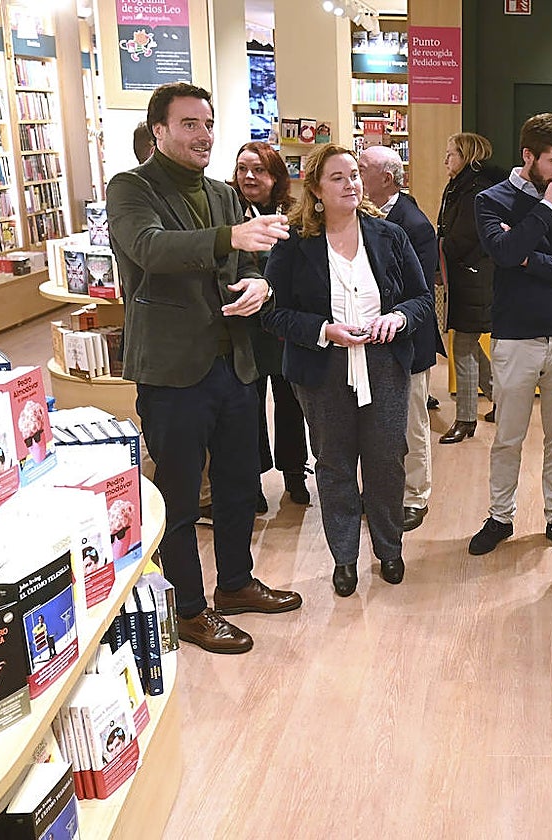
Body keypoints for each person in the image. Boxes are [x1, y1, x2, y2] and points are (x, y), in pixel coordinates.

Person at [106, 82, 302, 656]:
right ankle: (189, 608)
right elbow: (150, 249)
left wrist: (262, 284)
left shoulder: (219, 192)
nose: (204, 134)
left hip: (234, 364)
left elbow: (245, 260)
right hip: (172, 371)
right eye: (189, 123)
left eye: (208, 123)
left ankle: (236, 583)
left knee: (240, 485)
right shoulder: (130, 188)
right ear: (159, 130)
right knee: (181, 496)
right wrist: (232, 236)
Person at [263, 144, 432, 597]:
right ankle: (343, 558)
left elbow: (421, 298)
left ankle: (389, 548)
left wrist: (398, 318)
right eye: (337, 177)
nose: (351, 184)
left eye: (355, 175)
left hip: (384, 363)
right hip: (322, 368)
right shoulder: (294, 243)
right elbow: (273, 313)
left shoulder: (388, 235)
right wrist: (324, 330)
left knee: (386, 461)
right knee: (334, 465)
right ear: (316, 189)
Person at [467, 113, 552, 560]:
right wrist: (545, 211)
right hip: (515, 336)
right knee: (508, 435)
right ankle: (500, 518)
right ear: (528, 156)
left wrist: (530, 261)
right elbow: (503, 252)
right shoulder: (492, 200)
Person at [357, 144, 443, 532]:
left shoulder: (416, 225)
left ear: (385, 178)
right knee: (374, 425)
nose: (357, 177)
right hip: (368, 341)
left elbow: (416, 291)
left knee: (412, 423)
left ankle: (415, 496)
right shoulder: (360, 219)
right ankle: (379, 492)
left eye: (362, 169)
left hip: (406, 341)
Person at [230, 141, 312, 508]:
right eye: (242, 168)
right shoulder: (227, 211)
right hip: (243, 328)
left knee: (290, 403)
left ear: (276, 175)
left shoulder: (295, 214)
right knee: (247, 406)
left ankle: (295, 474)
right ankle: (253, 481)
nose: (249, 176)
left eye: (258, 170)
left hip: (282, 326)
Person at [437, 132, 507, 444]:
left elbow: (462, 236)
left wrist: (439, 248)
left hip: (472, 275)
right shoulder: (466, 185)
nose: (446, 160)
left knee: (463, 345)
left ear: (465, 155)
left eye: (450, 154)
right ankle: (501, 400)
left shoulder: (473, 189)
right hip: (470, 274)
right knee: (467, 343)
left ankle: (466, 419)